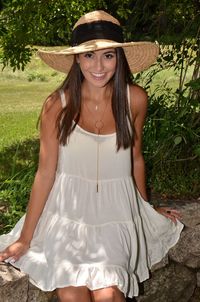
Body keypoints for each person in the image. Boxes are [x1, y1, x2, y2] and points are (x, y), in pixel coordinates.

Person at [0, 10, 183, 302]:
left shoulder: (135, 99)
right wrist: (25, 238)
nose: (98, 66)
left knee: (109, 295)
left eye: (108, 56)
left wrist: (145, 210)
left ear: (119, 59)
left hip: (117, 214)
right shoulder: (57, 105)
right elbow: (45, 173)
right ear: (76, 59)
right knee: (72, 296)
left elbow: (135, 157)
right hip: (67, 216)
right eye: (89, 56)